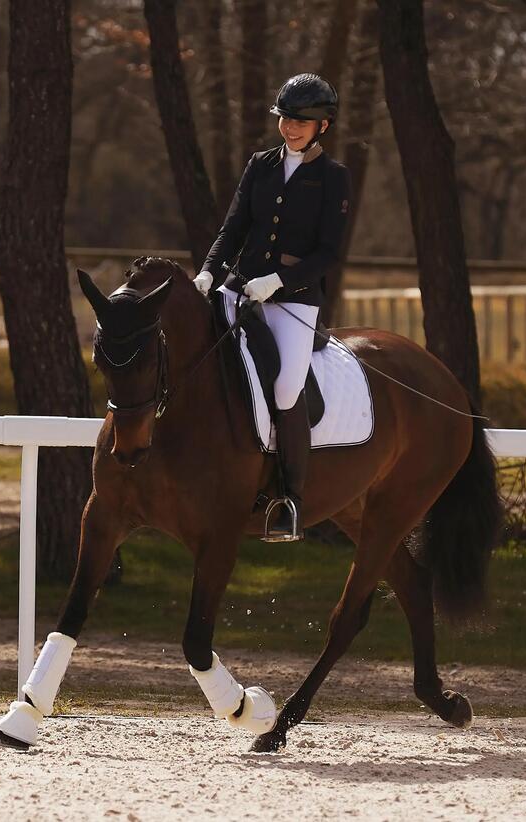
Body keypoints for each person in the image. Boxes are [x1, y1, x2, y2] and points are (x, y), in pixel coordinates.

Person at [194, 72, 352, 542]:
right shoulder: (260, 165)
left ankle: (289, 499)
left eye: (302, 121)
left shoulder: (333, 178)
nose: (290, 127)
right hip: (239, 288)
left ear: (323, 126)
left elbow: (328, 253)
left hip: (294, 303)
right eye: (285, 118)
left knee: (285, 390)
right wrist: (208, 270)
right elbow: (234, 226)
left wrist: (280, 280)